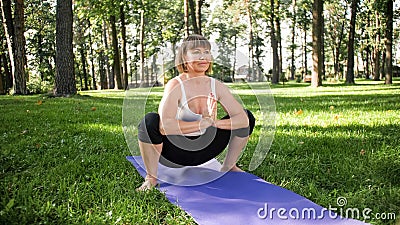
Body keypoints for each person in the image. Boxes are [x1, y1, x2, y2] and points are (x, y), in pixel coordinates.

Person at [136, 34, 255, 191]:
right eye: (196, 51)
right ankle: (152, 178)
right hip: (177, 153)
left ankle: (228, 167)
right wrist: (200, 123)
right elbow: (165, 126)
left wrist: (214, 123)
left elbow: (242, 121)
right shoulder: (175, 85)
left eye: (206, 52)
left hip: (207, 148)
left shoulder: (216, 85)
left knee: (247, 116)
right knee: (149, 121)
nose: (203, 56)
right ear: (184, 56)